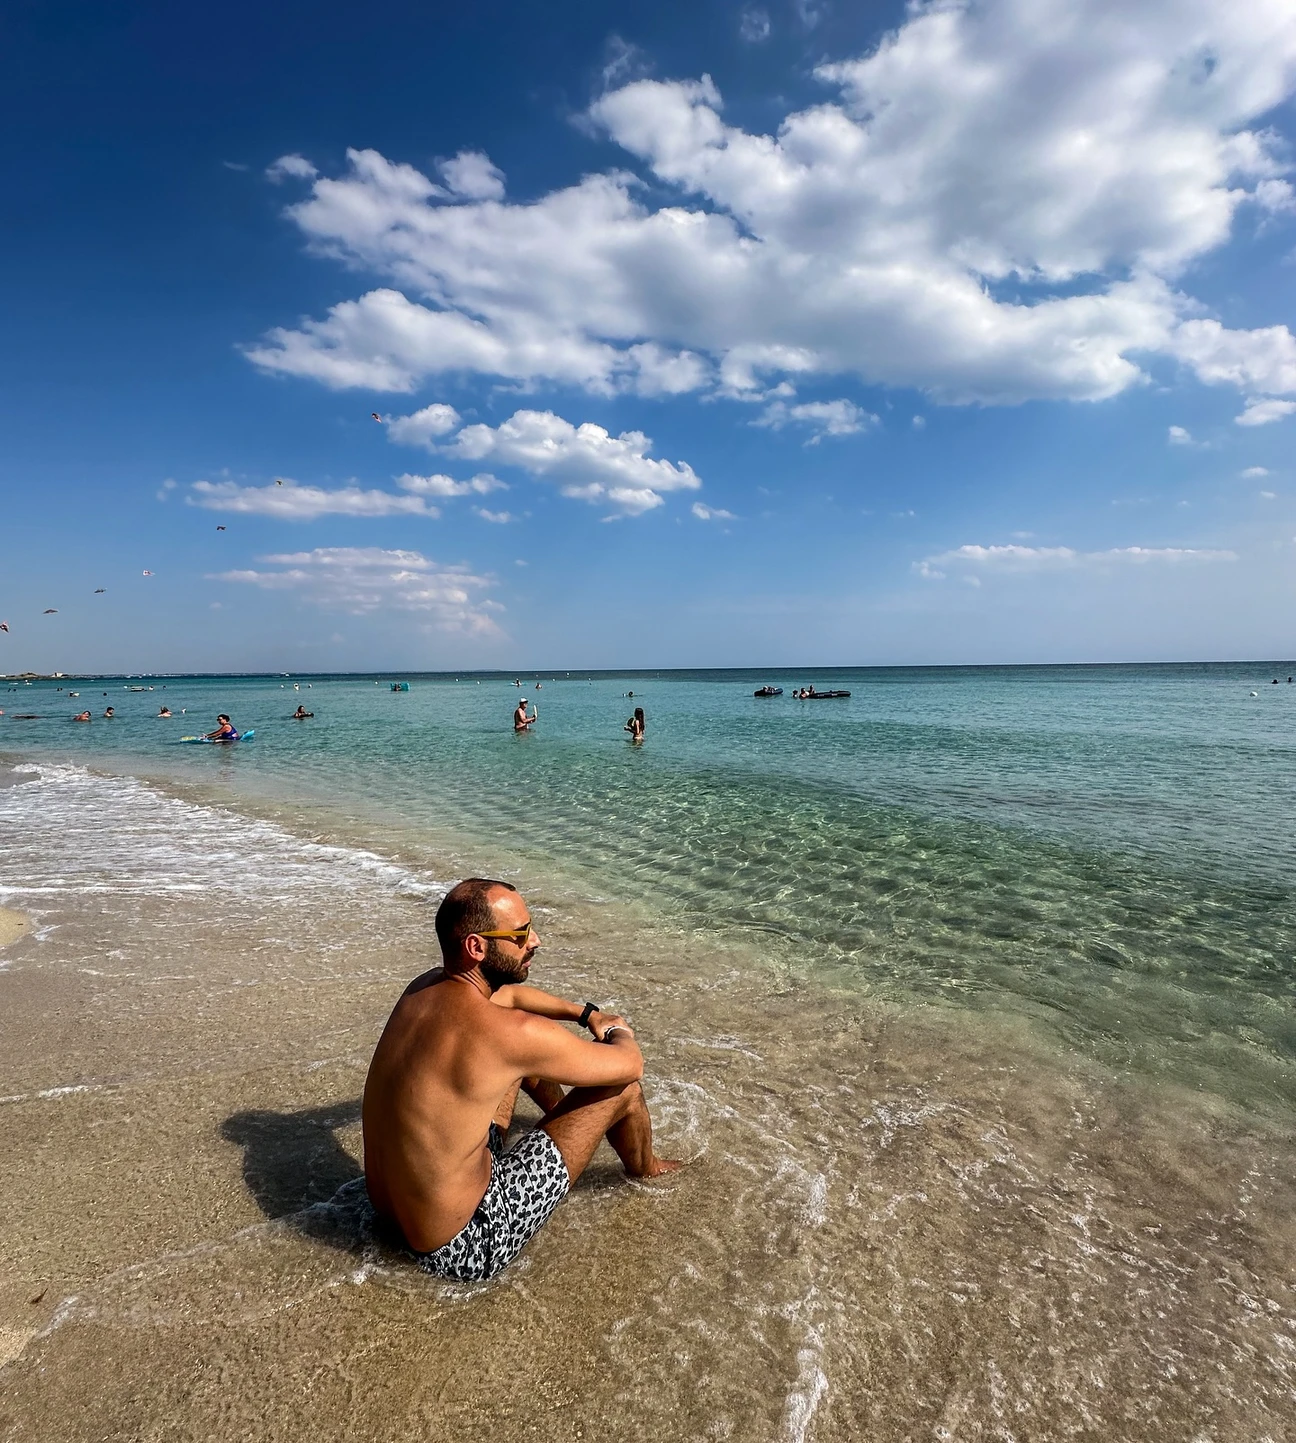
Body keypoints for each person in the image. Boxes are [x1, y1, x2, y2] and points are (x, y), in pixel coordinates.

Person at [363, 879, 680, 1280]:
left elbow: (509, 998)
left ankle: (568, 1127)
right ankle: (647, 1170)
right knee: (623, 1090)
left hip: (389, 1216)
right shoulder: (510, 1035)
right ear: (476, 947)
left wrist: (586, 1014)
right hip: (467, 1244)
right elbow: (629, 1065)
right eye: (521, 934)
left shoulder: (422, 989)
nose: (536, 941)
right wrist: (618, 1030)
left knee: (523, 1064)